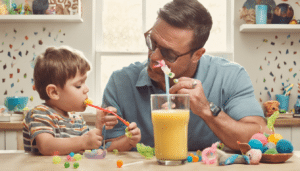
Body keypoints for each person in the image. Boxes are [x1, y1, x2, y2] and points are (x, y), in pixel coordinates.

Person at [99, 0, 272, 152]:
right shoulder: (120, 82)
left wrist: (206, 110)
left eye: (169, 54)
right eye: (152, 42)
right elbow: (108, 149)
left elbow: (260, 136)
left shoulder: (231, 76)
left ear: (197, 55)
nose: (154, 57)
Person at [23, 46, 118, 155]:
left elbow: (90, 149)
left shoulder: (77, 120)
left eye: (84, 83)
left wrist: (99, 127)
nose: (86, 89)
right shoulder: (39, 113)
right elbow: (46, 146)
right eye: (78, 85)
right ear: (54, 92)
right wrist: (83, 141)